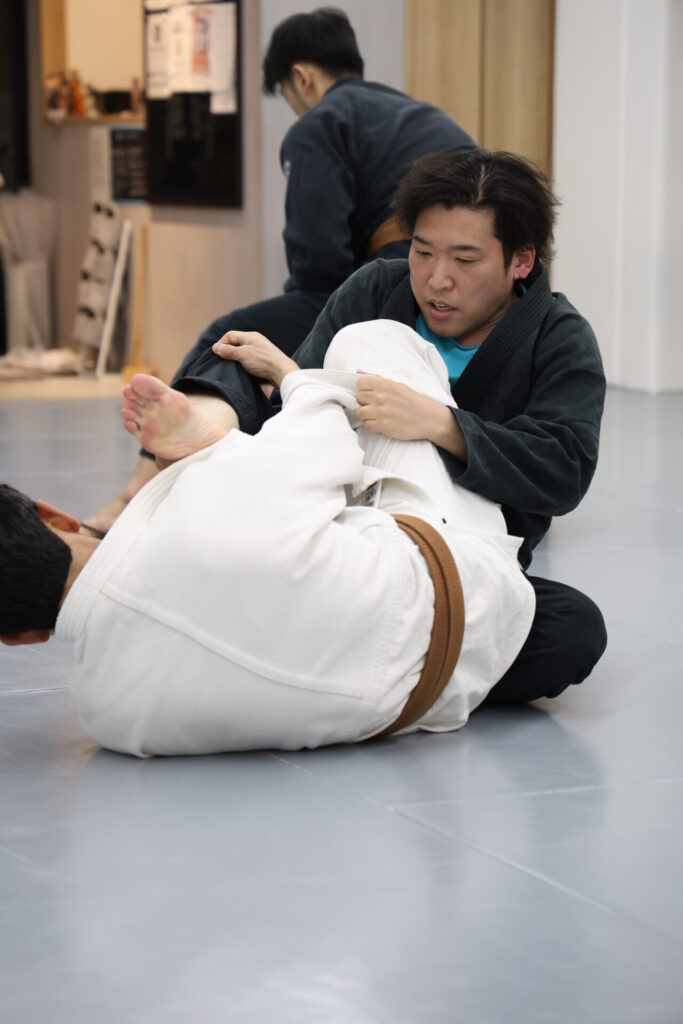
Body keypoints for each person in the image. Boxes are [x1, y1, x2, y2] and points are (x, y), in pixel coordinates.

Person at [168, 147, 610, 706]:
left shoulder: (560, 337)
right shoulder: (376, 291)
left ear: (521, 261)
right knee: (238, 357)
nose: (437, 279)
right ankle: (396, 666)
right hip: (333, 541)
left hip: (458, 571)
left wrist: (442, 426)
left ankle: (319, 651)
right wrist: (285, 382)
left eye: (466, 260)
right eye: (422, 252)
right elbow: (294, 421)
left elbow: (562, 469)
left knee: (573, 630)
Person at [0, 321, 535, 756]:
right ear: (57, 517)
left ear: (20, 638)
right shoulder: (199, 517)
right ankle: (220, 443)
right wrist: (290, 376)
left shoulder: (105, 716)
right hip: (471, 583)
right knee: (366, 342)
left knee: (279, 544)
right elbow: (330, 440)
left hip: (420, 703)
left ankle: (225, 450)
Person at [91, 7, 473, 528]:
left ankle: (140, 492)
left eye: (291, 99)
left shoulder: (321, 124)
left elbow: (318, 263)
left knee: (226, 340)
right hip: (470, 293)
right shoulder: (424, 116)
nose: (297, 109)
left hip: (394, 282)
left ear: (301, 77)